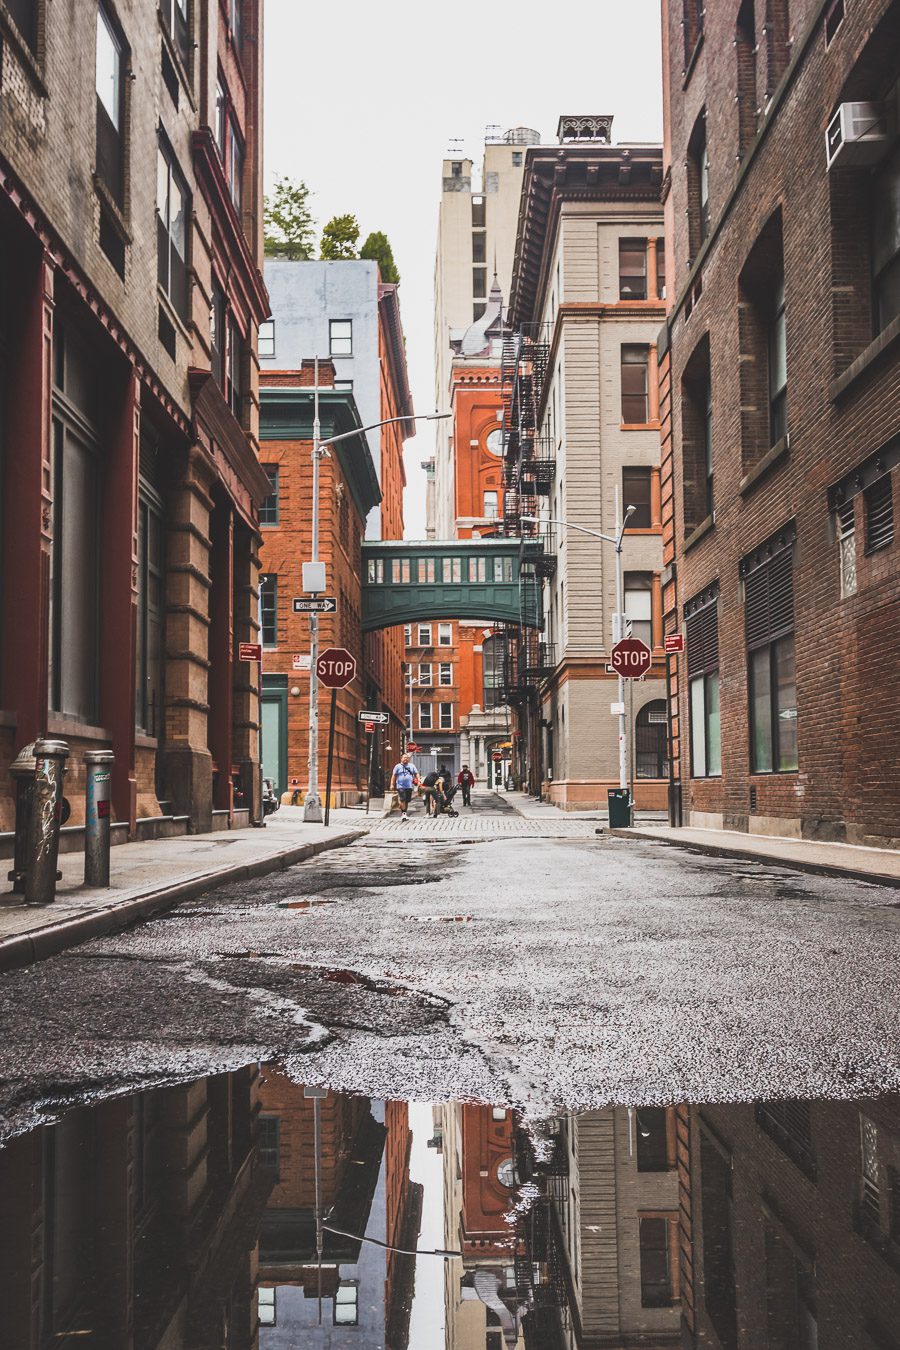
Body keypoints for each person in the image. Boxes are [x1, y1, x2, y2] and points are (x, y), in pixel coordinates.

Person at [390, 753, 420, 822]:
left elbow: (416, 773)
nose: (406, 759)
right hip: (400, 786)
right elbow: (394, 776)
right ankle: (403, 813)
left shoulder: (412, 766)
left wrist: (418, 781)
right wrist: (392, 784)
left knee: (406, 801)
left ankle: (404, 813)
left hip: (409, 786)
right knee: (403, 799)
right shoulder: (397, 766)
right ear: (401, 758)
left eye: (407, 757)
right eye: (404, 757)